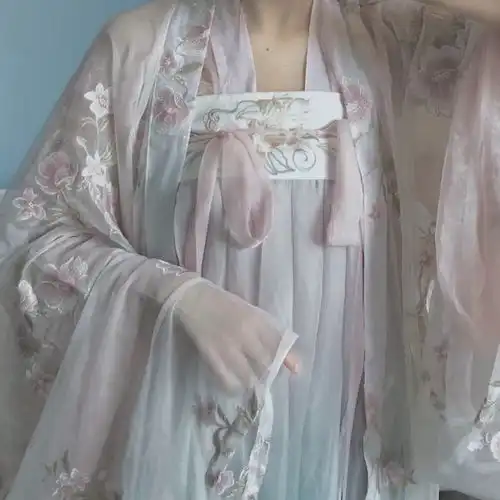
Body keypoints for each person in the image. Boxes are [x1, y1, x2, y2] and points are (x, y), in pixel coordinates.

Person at [0, 0, 499, 499]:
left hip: (350, 448)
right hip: (186, 440)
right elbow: (33, 240)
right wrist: (176, 298)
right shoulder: (139, 48)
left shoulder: (397, 46)